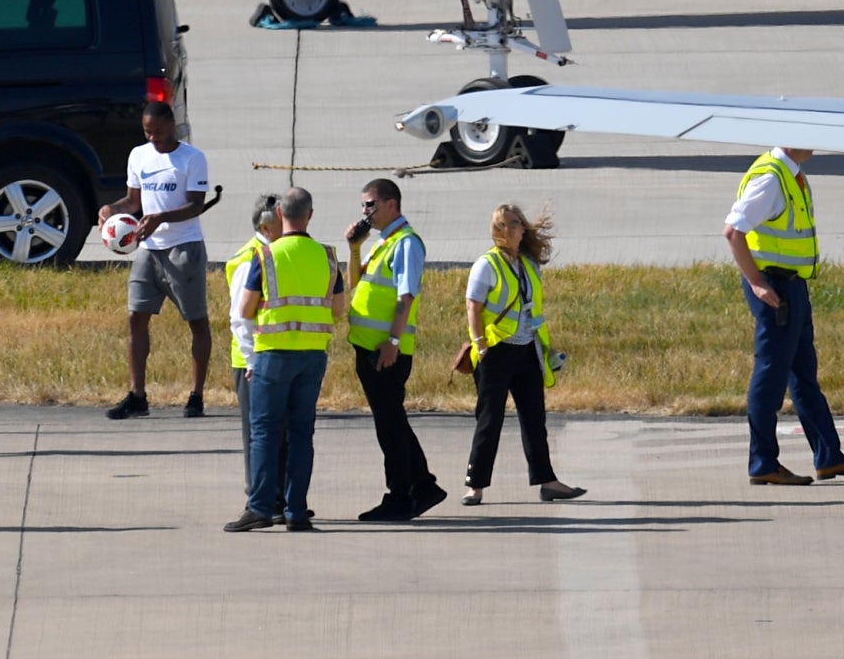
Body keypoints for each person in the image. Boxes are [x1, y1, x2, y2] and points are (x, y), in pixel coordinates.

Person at [724, 147, 844, 486]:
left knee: (803, 374)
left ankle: (829, 457)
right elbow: (733, 232)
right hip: (775, 287)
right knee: (770, 375)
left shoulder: (790, 173)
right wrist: (757, 283)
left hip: (792, 286)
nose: (816, 144)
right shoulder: (772, 178)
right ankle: (763, 462)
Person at [227, 188, 344, 532]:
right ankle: (295, 511)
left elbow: (244, 310)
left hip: (273, 354)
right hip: (312, 355)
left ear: (279, 214)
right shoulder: (327, 256)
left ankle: (261, 507)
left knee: (264, 432)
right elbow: (337, 310)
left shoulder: (264, 256)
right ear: (310, 215)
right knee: (301, 433)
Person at [457, 204, 584, 505]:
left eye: (521, 223)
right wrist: (479, 343)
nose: (521, 228)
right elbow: (472, 305)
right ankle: (475, 485)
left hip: (528, 351)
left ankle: (547, 481)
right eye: (514, 223)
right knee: (490, 419)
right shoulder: (486, 264)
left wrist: (544, 346)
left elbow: (531, 307)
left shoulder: (528, 264)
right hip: (496, 351)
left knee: (534, 418)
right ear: (501, 228)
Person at [99, 100, 213, 419]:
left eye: (159, 132)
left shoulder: (192, 158)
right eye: (148, 132)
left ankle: (196, 395)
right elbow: (133, 201)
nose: (153, 139)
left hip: (184, 248)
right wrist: (112, 210)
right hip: (148, 248)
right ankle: (137, 396)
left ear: (172, 125)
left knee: (197, 321)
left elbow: (195, 206)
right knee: (136, 317)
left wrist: (161, 216)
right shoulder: (139, 155)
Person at [346, 178, 446, 520]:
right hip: (368, 348)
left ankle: (401, 496)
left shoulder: (406, 244)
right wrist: (354, 248)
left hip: (386, 352)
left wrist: (392, 343)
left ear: (392, 204)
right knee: (392, 422)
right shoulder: (382, 243)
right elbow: (355, 285)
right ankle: (423, 485)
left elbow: (406, 298)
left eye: (370, 204)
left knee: (390, 426)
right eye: (363, 205)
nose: (365, 212)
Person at [223, 193, 284, 503]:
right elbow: (240, 318)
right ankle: (259, 497)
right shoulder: (251, 258)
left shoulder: (271, 252)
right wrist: (250, 361)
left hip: (269, 356)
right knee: (257, 434)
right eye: (282, 222)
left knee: (274, 431)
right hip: (252, 361)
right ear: (266, 226)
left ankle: (275, 496)